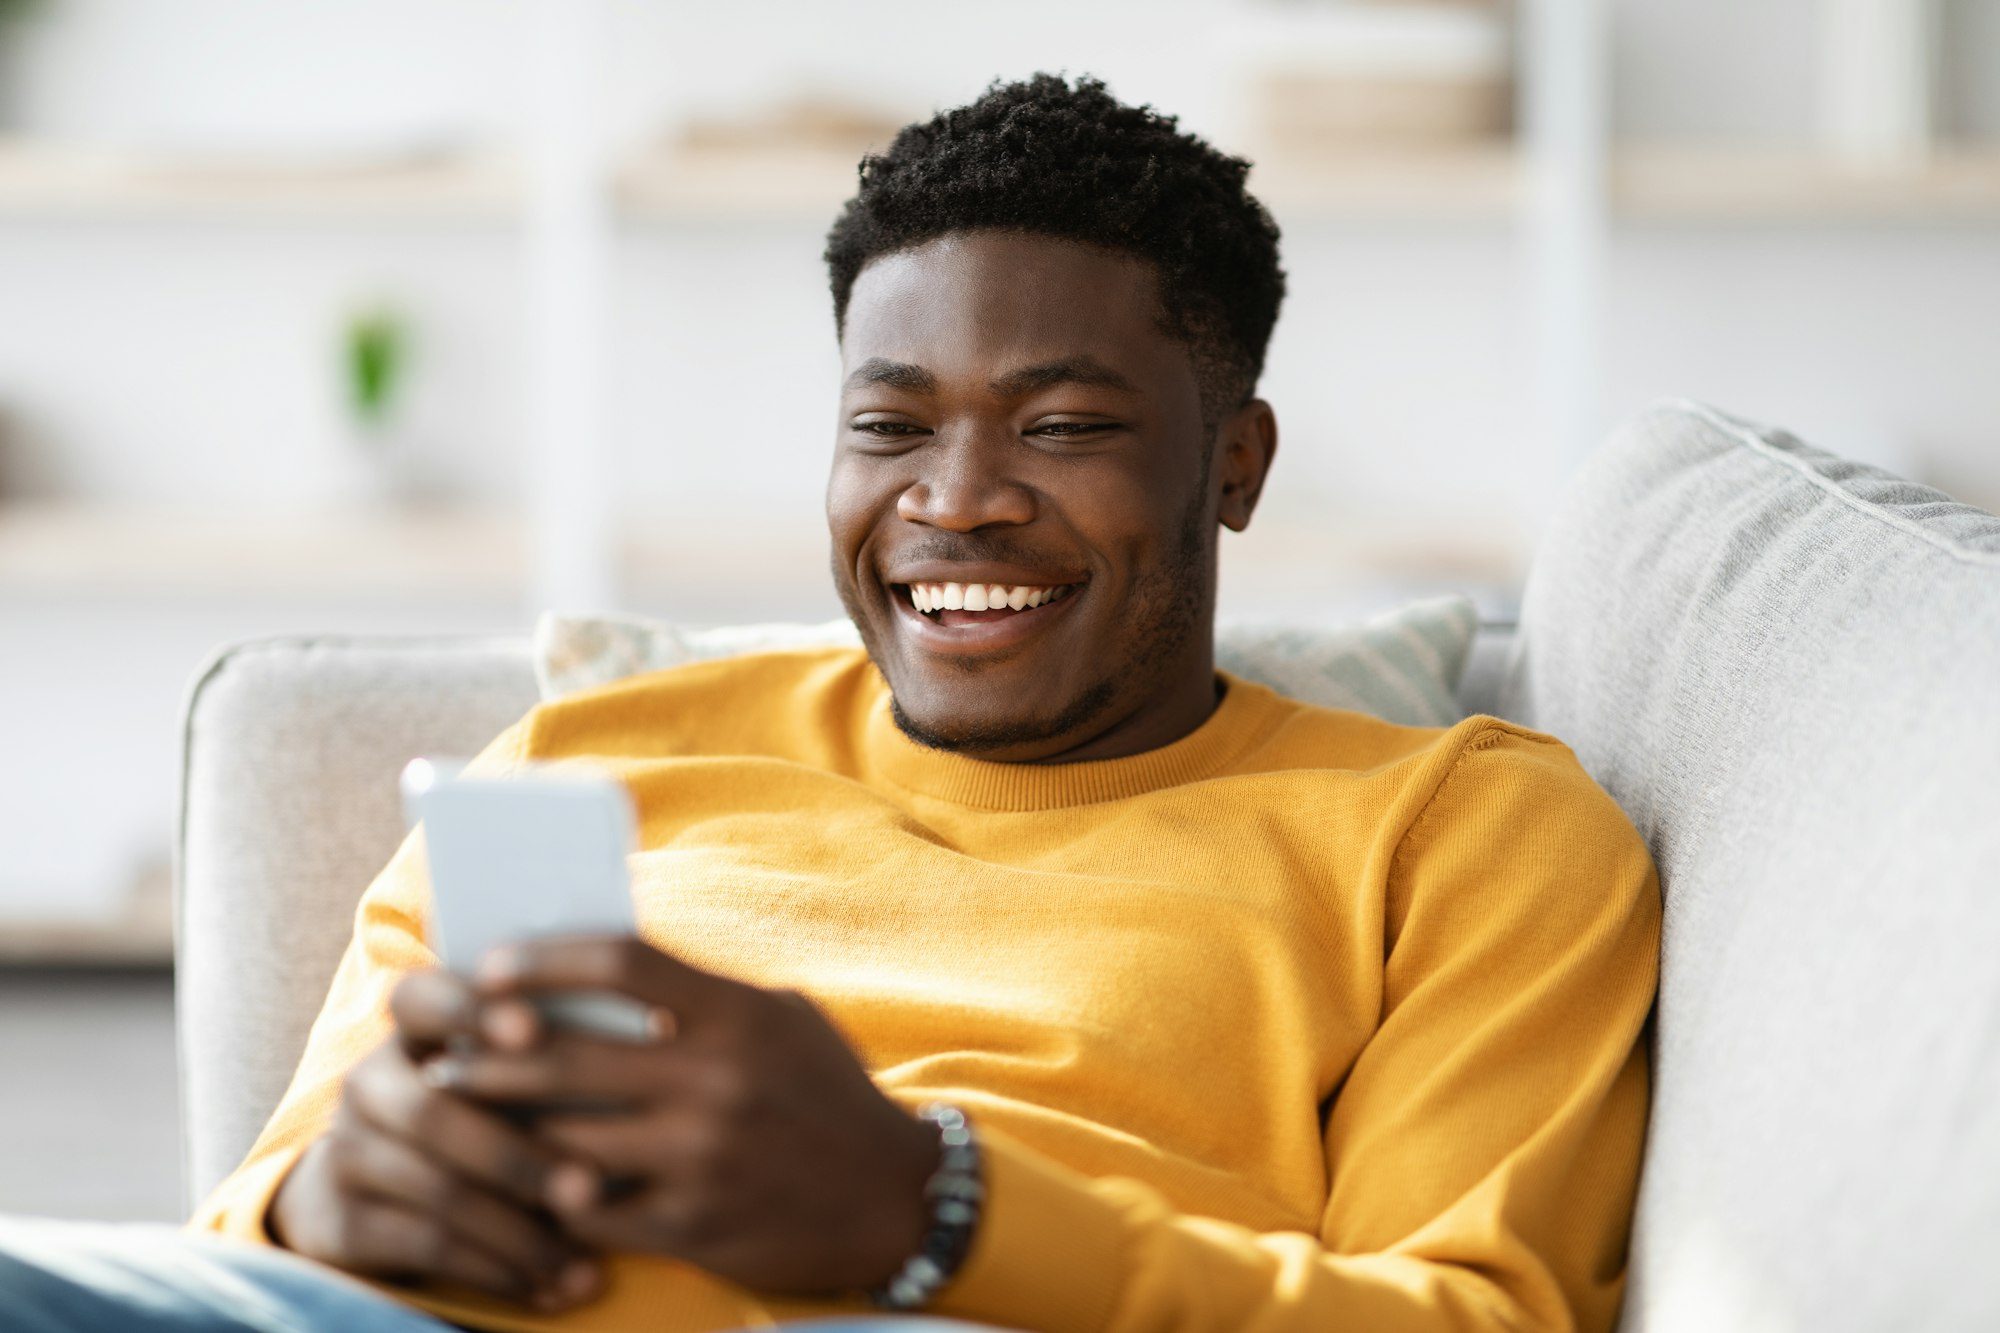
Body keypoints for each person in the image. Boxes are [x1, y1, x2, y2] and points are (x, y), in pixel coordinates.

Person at [0, 74, 1659, 1333]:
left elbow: (1472, 1316)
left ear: (1233, 464)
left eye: (1062, 426)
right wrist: (327, 1206)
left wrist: (929, 1213)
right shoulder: (591, 755)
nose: (958, 500)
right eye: (891, 426)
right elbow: (241, 1237)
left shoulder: (1465, 829)